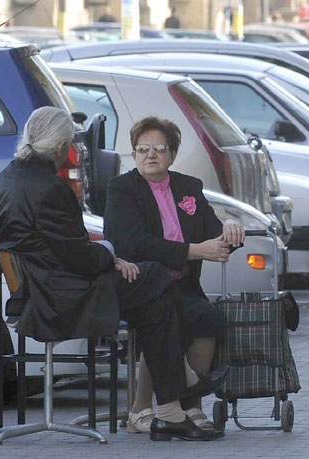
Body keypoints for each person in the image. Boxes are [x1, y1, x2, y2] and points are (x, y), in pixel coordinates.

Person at [0, 107, 223, 441]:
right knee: (156, 279)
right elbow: (78, 255)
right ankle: (176, 393)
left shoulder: (5, 180)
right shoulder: (51, 189)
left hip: (38, 289)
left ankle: (164, 408)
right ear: (61, 147)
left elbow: (61, 248)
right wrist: (111, 257)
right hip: (62, 297)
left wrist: (109, 258)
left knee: (155, 297)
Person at [104, 116, 244, 432]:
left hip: (181, 284)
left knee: (207, 318)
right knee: (165, 320)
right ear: (134, 154)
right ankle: (140, 409)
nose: (150, 155)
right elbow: (136, 244)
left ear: (173, 154)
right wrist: (195, 251)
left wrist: (230, 229)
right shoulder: (122, 189)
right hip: (137, 284)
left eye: (159, 148)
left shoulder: (187, 187)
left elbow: (212, 233)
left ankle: (191, 405)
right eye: (142, 149)